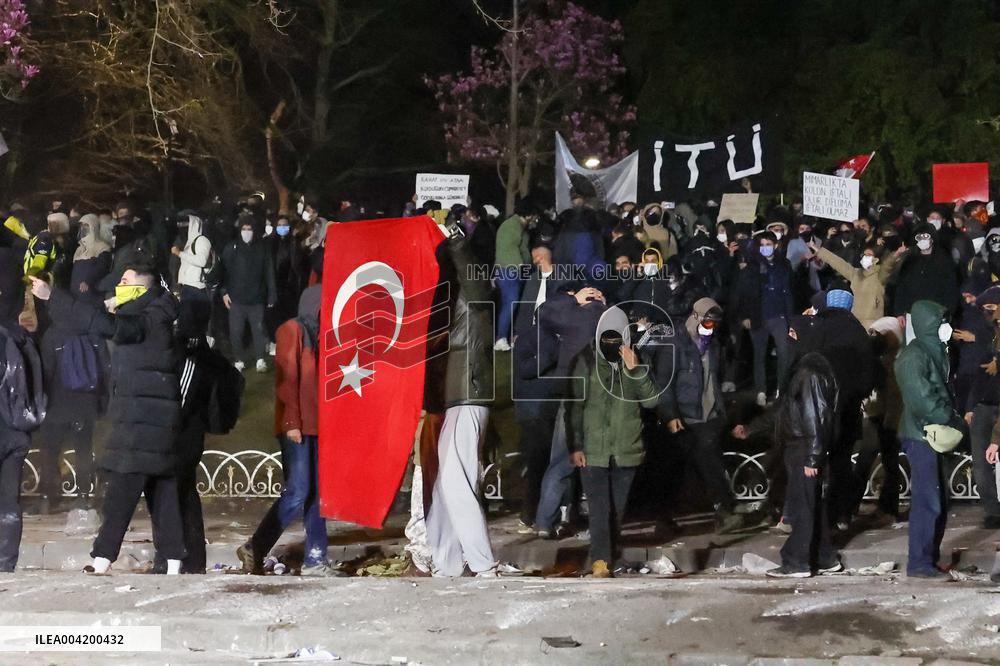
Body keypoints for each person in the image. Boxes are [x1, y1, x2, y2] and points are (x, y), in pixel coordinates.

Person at [31, 264, 186, 575]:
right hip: (152, 421)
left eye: (126, 281)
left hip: (143, 422)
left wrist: (52, 297)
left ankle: (103, 559)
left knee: (122, 492)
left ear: (142, 287)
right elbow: (100, 319)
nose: (119, 285)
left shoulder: (149, 318)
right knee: (162, 490)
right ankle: (172, 562)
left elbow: (105, 325)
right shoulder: (154, 313)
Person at [238, 286, 339, 576]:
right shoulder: (291, 330)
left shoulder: (324, 336)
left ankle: (316, 559)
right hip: (297, 427)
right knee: (298, 491)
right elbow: (287, 379)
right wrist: (291, 422)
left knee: (317, 495)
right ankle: (256, 545)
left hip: (318, 426)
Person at [567, 306, 658, 578]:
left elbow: (652, 400)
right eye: (606, 339)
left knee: (616, 510)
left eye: (616, 339)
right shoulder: (586, 361)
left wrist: (635, 370)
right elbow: (574, 406)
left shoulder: (636, 361)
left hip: (625, 448)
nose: (611, 345)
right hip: (593, 450)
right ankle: (601, 560)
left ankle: (612, 555)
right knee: (599, 509)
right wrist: (576, 445)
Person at [747, 328, 841, 578]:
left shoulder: (808, 374)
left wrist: (813, 456)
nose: (788, 342)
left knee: (803, 506)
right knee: (813, 505)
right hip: (803, 447)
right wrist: (750, 429)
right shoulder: (809, 370)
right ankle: (825, 557)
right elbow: (785, 412)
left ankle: (796, 561)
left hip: (804, 449)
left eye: (793, 336)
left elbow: (816, 416)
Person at [649, 297, 743, 533]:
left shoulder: (714, 345)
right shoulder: (675, 344)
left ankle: (724, 510)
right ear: (696, 317)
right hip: (683, 416)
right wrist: (670, 415)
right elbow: (664, 384)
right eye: (708, 323)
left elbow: (718, 377)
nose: (711, 328)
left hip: (709, 416)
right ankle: (663, 518)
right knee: (674, 468)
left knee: (709, 457)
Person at [895, 300, 957, 579]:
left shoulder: (933, 350)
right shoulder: (913, 355)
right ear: (928, 323)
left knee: (937, 499)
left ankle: (928, 558)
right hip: (921, 434)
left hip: (930, 433)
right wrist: (948, 416)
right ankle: (919, 563)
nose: (946, 326)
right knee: (927, 500)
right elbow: (921, 399)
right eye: (941, 320)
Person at [734, 231, 793, 407]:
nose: (765, 248)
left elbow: (788, 292)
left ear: (775, 245)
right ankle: (761, 391)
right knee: (759, 354)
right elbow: (743, 293)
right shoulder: (751, 267)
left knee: (784, 353)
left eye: (769, 244)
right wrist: (745, 316)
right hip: (757, 316)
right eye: (762, 244)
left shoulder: (784, 265)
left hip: (778, 315)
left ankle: (781, 391)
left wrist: (791, 318)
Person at [220, 216, 277, 373]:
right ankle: (238, 359)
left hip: (257, 299)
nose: (246, 232)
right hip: (236, 299)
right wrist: (224, 292)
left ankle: (260, 359)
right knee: (236, 332)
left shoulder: (263, 248)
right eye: (244, 229)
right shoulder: (232, 248)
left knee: (258, 330)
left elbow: (269, 272)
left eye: (249, 229)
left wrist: (272, 294)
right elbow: (223, 272)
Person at [965, 287, 1000, 528]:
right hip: (983, 406)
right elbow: (976, 373)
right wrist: (970, 406)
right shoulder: (985, 333)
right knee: (980, 462)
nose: (989, 313)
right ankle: (992, 511)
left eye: (993, 307)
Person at [813, 241, 905, 328]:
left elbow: (887, 266)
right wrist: (818, 250)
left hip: (873, 323)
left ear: (876, 259)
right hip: (854, 321)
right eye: (864, 255)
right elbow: (838, 263)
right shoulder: (855, 274)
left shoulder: (879, 276)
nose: (865, 257)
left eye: (868, 255)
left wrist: (896, 253)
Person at [893, 223, 960, 316]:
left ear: (932, 238)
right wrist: (899, 312)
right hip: (911, 313)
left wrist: (947, 313)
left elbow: (951, 290)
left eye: (925, 236)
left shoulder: (944, 261)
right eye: (919, 237)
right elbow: (901, 288)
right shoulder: (910, 260)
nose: (922, 240)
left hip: (935, 314)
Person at [493, 202, 534, 351]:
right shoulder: (514, 227)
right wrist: (523, 270)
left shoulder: (513, 225)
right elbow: (512, 252)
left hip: (507, 271)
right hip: (511, 272)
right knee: (511, 304)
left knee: (509, 305)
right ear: (529, 215)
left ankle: (506, 336)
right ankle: (501, 338)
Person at [173, 212, 214, 339]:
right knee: (185, 325)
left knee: (192, 326)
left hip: (196, 289)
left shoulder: (202, 241)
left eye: (185, 224)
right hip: (187, 287)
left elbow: (201, 261)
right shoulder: (188, 242)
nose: (181, 226)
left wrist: (180, 254)